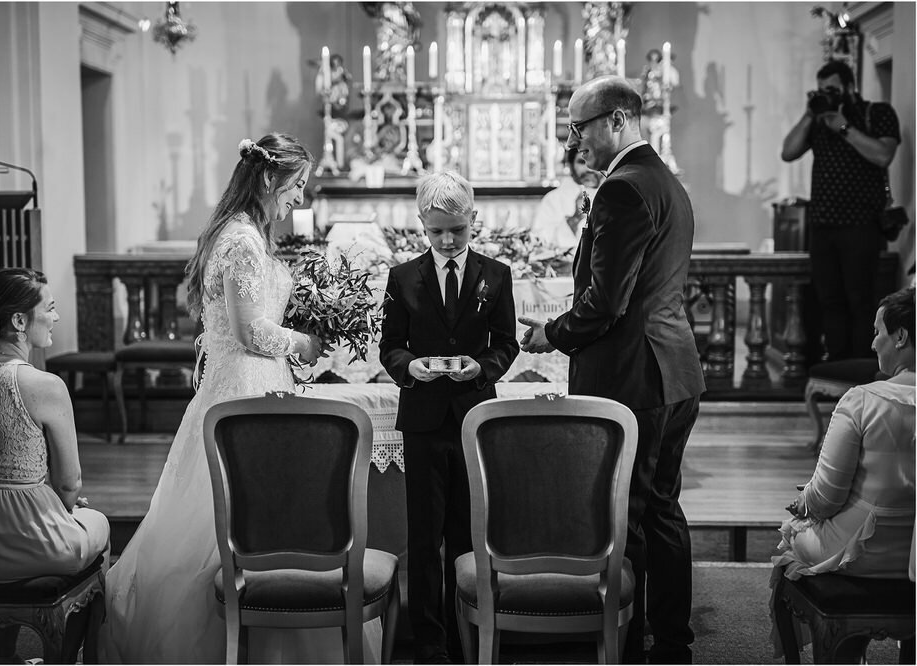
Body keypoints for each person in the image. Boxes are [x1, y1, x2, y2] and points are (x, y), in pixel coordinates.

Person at [100, 134, 376, 664]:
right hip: (246, 388)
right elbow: (251, 331)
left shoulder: (243, 233)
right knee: (242, 517)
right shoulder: (242, 241)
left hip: (253, 383)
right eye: (296, 186)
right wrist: (307, 342)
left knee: (253, 518)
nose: (299, 198)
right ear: (270, 179)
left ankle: (266, 631)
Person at [519, 75, 705, 664]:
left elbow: (605, 303)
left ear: (618, 120)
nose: (575, 141)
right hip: (672, 368)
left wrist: (550, 333)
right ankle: (669, 638)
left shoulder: (623, 189)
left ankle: (633, 640)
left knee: (635, 512)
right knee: (662, 508)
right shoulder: (665, 184)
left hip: (634, 376)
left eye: (581, 126)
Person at [0, 268, 110, 663]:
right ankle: (78, 655)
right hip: (27, 543)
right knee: (98, 524)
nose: (56, 317)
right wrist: (69, 510)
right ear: (19, 321)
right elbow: (69, 483)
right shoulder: (45, 386)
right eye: (50, 308)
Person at [379, 171, 519, 664]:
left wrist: (483, 367)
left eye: (456, 230)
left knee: (466, 530)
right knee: (424, 534)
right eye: (436, 230)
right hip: (422, 420)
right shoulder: (403, 277)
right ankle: (429, 640)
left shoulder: (495, 275)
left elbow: (507, 342)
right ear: (421, 223)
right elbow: (390, 347)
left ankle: (465, 635)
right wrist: (409, 367)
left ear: (472, 221)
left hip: (472, 417)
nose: (446, 240)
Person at [770, 286, 915, 656]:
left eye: (877, 332)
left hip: (865, 553)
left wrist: (803, 501)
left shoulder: (862, 400)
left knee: (793, 537)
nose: (872, 344)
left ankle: (844, 654)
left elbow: (827, 497)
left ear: (900, 336)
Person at [781, 59, 900, 362]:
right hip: (822, 227)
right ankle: (835, 366)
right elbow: (788, 151)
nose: (827, 95)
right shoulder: (819, 121)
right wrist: (811, 113)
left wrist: (844, 128)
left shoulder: (878, 113)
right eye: (820, 90)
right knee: (829, 301)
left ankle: (860, 369)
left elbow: (884, 155)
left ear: (849, 86)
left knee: (861, 301)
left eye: (832, 89)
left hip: (861, 226)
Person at [529, 147, 602, 252]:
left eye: (594, 162)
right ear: (571, 165)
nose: (588, 169)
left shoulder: (614, 197)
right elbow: (538, 243)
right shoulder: (553, 199)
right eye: (582, 162)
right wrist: (575, 220)